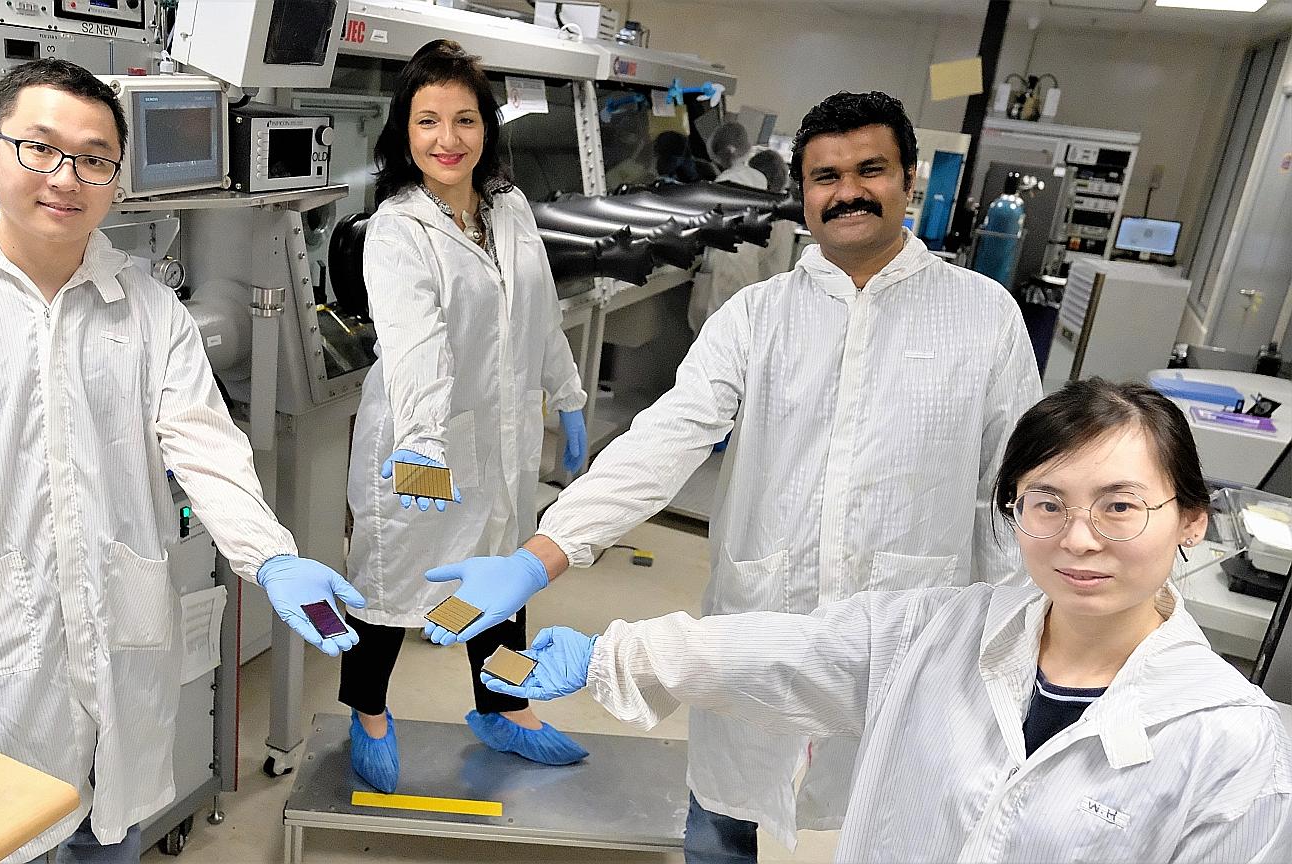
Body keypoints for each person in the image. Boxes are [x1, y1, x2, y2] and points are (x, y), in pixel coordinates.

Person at [0, 59, 364, 863]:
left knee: (111, 836)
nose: (66, 178)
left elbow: (209, 452)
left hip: (123, 651)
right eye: (40, 149)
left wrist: (274, 557)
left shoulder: (150, 312)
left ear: (116, 178)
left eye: (93, 158)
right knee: (7, 837)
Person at [422, 91, 1043, 863]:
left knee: (906, 821)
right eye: (825, 177)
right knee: (723, 820)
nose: (847, 191)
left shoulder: (983, 317)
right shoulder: (758, 317)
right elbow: (665, 439)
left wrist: (1022, 645)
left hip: (916, 635)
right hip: (763, 618)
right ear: (803, 193)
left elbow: (1018, 498)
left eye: (870, 170)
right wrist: (542, 553)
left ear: (909, 180)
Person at [486, 379, 1292, 862]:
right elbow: (789, 654)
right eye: (1047, 503)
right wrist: (613, 655)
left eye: (1120, 506)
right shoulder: (941, 633)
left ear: (1191, 520)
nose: (1079, 538)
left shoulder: (1231, 742)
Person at [339, 39, 590, 795]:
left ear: (487, 128)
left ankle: (504, 707)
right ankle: (369, 711)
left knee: (501, 582)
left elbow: (541, 313)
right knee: (389, 587)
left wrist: (570, 397)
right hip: (421, 445)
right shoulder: (397, 230)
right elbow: (416, 349)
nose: (447, 140)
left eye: (464, 120)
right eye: (428, 122)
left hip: (502, 439)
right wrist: (420, 445)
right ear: (403, 133)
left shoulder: (508, 209)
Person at [689, 121, 767, 333]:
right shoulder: (759, 178)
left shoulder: (726, 181)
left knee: (713, 333)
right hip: (748, 263)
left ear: (728, 151)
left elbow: (706, 223)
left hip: (725, 267)